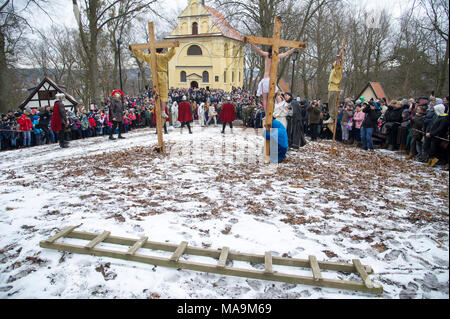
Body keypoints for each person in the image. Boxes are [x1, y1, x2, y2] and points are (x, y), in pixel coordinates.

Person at [248, 43, 296, 116]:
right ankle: (273, 112)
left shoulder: (267, 55)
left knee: (265, 99)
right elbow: (287, 53)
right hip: (273, 79)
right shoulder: (277, 56)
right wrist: (293, 49)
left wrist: (252, 45)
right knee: (273, 98)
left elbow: (259, 51)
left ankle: (267, 114)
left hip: (266, 78)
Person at [130, 45, 176, 121]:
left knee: (156, 94)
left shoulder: (150, 57)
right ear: (161, 51)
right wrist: (173, 47)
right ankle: (162, 111)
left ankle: (157, 108)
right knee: (164, 95)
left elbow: (141, 55)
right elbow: (170, 54)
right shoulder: (163, 57)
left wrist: (134, 50)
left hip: (154, 76)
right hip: (162, 76)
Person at [323, 55, 343, 134]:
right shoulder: (333, 70)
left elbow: (338, 65)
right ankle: (331, 116)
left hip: (334, 88)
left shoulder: (337, 69)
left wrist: (338, 59)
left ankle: (332, 117)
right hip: (331, 88)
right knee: (330, 103)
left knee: (332, 103)